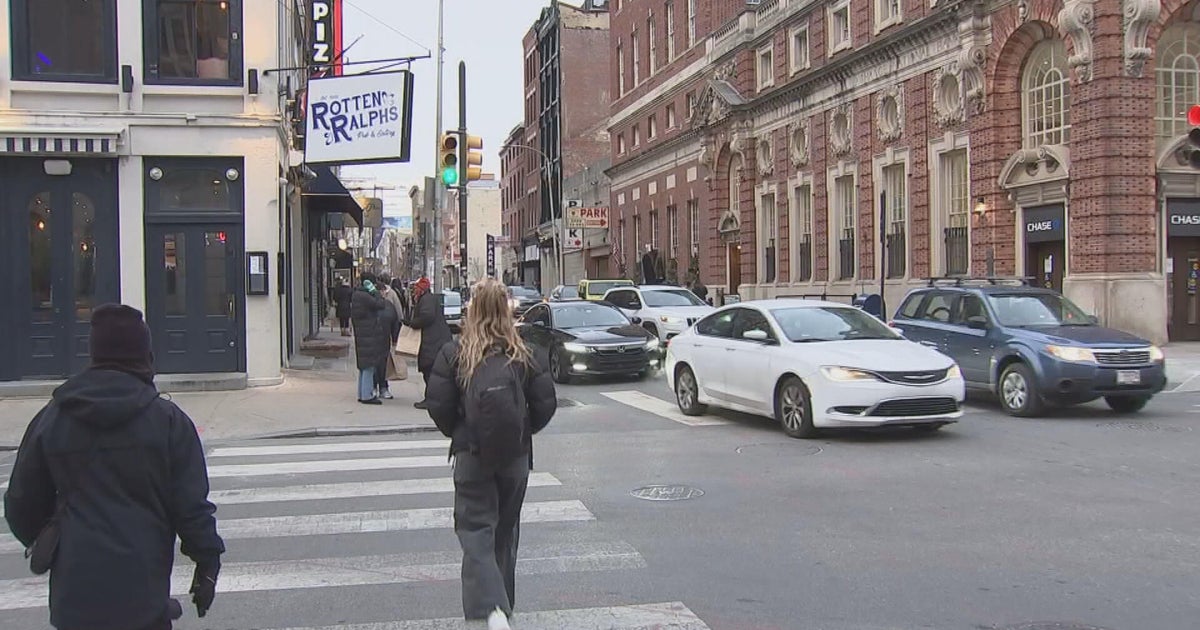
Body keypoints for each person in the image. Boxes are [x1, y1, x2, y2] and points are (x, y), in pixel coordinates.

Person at [3, 304, 224, 630]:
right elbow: (190, 507)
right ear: (145, 355)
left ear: (94, 354)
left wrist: (54, 535)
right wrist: (207, 563)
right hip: (142, 593)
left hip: (75, 593)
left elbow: (21, 502)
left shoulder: (54, 417)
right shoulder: (168, 423)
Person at [425, 278, 557, 630]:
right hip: (515, 461)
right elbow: (546, 404)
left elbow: (438, 406)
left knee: (475, 533)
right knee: (504, 533)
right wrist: (521, 432)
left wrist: (462, 430)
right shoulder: (523, 351)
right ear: (506, 310)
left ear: (473, 310)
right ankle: (504, 607)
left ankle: (491, 611)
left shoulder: (455, 352)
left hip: (472, 457)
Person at [404, 277, 453, 410]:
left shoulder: (426, 300)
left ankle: (431, 400)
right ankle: (432, 399)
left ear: (422, 289)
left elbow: (427, 317)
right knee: (430, 371)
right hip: (435, 340)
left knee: (429, 371)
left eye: (416, 289)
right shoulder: (428, 299)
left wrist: (412, 323)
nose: (415, 291)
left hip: (433, 342)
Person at [351, 272, 389, 405]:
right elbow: (380, 304)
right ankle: (367, 395)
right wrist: (376, 293)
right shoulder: (366, 296)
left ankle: (362, 393)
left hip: (362, 334)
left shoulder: (356, 295)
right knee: (369, 366)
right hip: (369, 334)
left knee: (363, 366)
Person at [374, 275, 404, 400]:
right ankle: (381, 387)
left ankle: (376, 387)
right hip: (381, 337)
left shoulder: (384, 304)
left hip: (379, 338)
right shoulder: (388, 303)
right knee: (381, 363)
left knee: (378, 363)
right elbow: (397, 316)